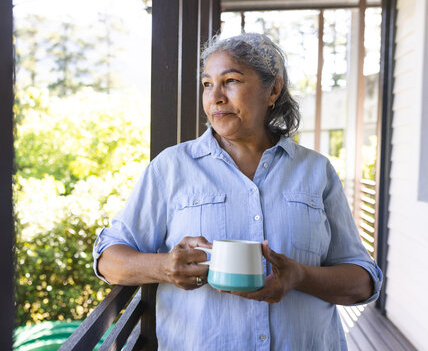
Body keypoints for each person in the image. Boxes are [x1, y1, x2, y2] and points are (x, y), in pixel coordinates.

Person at [93, 33, 382, 350]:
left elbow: (362, 281)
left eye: (230, 81)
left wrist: (300, 276)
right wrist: (163, 267)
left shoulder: (315, 171)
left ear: (272, 90)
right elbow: (108, 259)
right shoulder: (171, 168)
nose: (214, 97)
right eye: (207, 84)